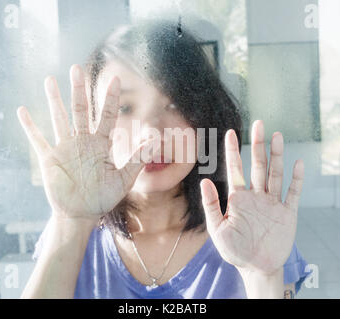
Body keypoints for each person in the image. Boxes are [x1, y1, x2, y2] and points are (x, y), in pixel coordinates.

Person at [18, 19, 310, 299]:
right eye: (124, 108)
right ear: (92, 123)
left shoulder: (252, 232)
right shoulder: (71, 233)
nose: (151, 133)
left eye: (174, 103)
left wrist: (262, 276)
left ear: (204, 118)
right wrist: (72, 222)